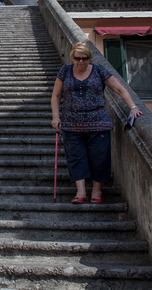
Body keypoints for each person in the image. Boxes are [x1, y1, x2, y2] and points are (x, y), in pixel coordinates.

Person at [51, 41, 142, 203]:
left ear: (89, 58)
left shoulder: (99, 71)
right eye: (78, 58)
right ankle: (81, 192)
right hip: (71, 124)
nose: (81, 62)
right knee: (75, 157)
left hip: (98, 123)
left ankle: (97, 191)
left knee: (99, 157)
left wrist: (133, 107)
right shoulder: (64, 71)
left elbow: (119, 89)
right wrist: (56, 117)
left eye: (85, 58)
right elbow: (56, 96)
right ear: (73, 57)